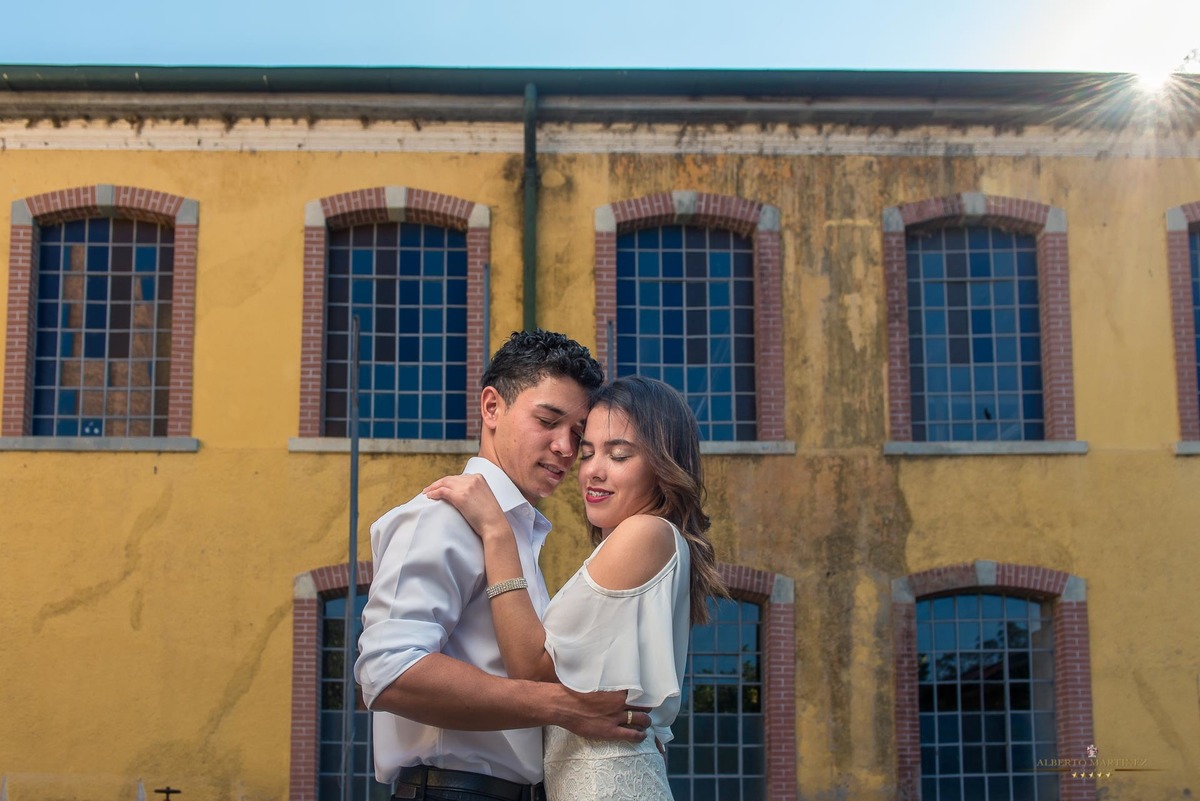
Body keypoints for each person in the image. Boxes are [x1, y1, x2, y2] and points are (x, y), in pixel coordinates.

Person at [354, 330, 654, 801]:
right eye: (547, 421)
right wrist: (565, 706)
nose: (565, 447)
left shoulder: (515, 535)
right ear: (492, 407)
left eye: (577, 435)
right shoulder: (440, 518)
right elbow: (387, 672)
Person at [423, 375, 726, 800]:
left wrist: (496, 530)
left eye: (619, 455)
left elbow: (532, 669)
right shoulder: (646, 542)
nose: (592, 471)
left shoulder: (645, 533)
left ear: (663, 467)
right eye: (587, 453)